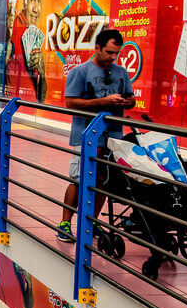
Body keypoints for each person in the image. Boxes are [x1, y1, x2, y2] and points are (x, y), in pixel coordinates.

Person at [57, 29, 134, 242]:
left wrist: (127, 102)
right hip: (86, 136)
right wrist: (104, 102)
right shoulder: (80, 72)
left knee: (103, 182)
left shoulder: (121, 72)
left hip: (113, 138)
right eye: (109, 52)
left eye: (116, 53)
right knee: (78, 179)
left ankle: (90, 223)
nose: (112, 57)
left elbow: (131, 97)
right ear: (97, 48)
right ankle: (65, 224)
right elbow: (71, 103)